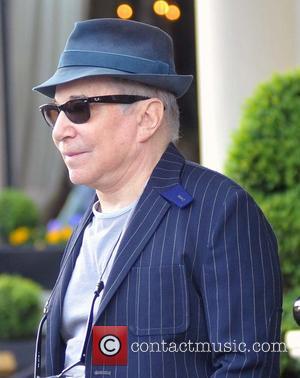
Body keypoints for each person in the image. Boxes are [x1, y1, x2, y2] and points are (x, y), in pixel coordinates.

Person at [33, 18, 282, 378]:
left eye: (79, 109)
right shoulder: (89, 220)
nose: (59, 131)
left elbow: (248, 366)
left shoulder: (220, 210)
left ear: (148, 118)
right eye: (54, 112)